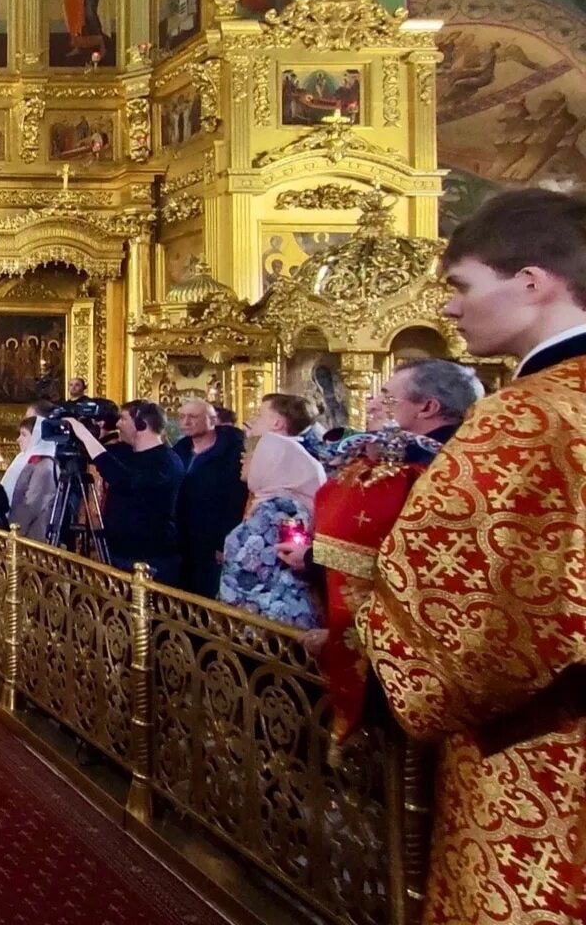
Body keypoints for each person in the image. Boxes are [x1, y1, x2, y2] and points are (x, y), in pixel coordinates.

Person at [358, 189, 586, 924]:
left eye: (461, 286)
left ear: (532, 282)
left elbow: (444, 611)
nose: (449, 311)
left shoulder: (527, 416)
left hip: (545, 751)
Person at [304, 359, 477, 741]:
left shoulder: (407, 468)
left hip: (406, 655)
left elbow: (363, 557)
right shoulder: (468, 456)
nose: (379, 405)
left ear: (427, 407)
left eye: (389, 398)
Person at [215, 395, 326, 626]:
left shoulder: (278, 508)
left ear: (270, 462)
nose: (244, 460)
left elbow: (249, 569)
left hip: (269, 619)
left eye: (253, 456)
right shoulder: (274, 497)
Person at [64, 401, 187, 585]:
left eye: (123, 418)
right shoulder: (127, 452)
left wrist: (84, 434)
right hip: (120, 554)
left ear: (141, 424)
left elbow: (123, 479)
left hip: (150, 559)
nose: (118, 424)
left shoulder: (165, 461)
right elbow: (102, 457)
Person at [173, 398, 248, 597]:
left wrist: (224, 541)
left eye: (193, 417)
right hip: (183, 538)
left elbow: (235, 500)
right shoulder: (179, 449)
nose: (186, 422)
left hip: (214, 539)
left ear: (212, 421)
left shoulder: (233, 452)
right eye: (182, 417)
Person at [8, 417, 59, 542]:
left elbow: (31, 504)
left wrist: (14, 531)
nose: (18, 439)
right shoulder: (31, 461)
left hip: (33, 535)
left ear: (37, 437)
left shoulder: (45, 467)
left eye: (24, 435)